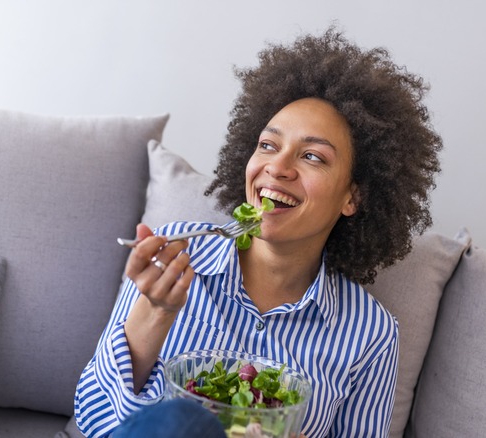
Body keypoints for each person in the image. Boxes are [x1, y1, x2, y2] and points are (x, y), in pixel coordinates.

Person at [74, 27, 442, 438]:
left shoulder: (371, 334)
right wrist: (156, 311)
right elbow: (94, 421)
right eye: (268, 145)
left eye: (312, 157)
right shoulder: (174, 253)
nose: (278, 167)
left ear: (352, 197)